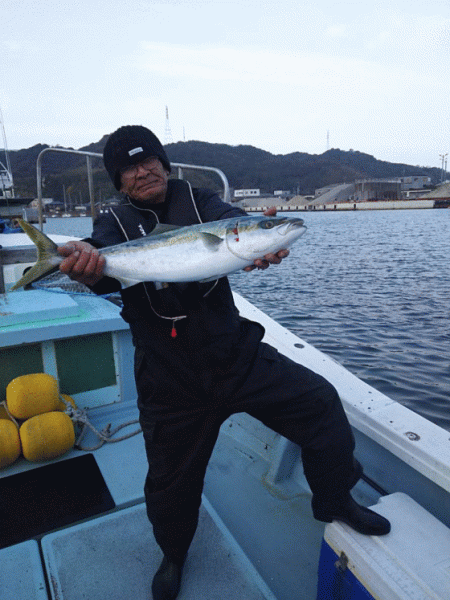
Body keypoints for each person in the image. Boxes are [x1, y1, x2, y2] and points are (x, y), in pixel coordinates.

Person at [58, 125, 390, 600]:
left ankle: (335, 499)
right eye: (129, 167)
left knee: (320, 403)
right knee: (170, 485)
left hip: (234, 355)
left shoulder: (199, 200)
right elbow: (108, 277)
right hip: (168, 377)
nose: (143, 170)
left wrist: (262, 240)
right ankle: (173, 554)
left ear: (164, 163)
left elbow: (233, 220)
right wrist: (88, 271)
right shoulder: (114, 222)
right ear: (119, 180)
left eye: (150, 159)